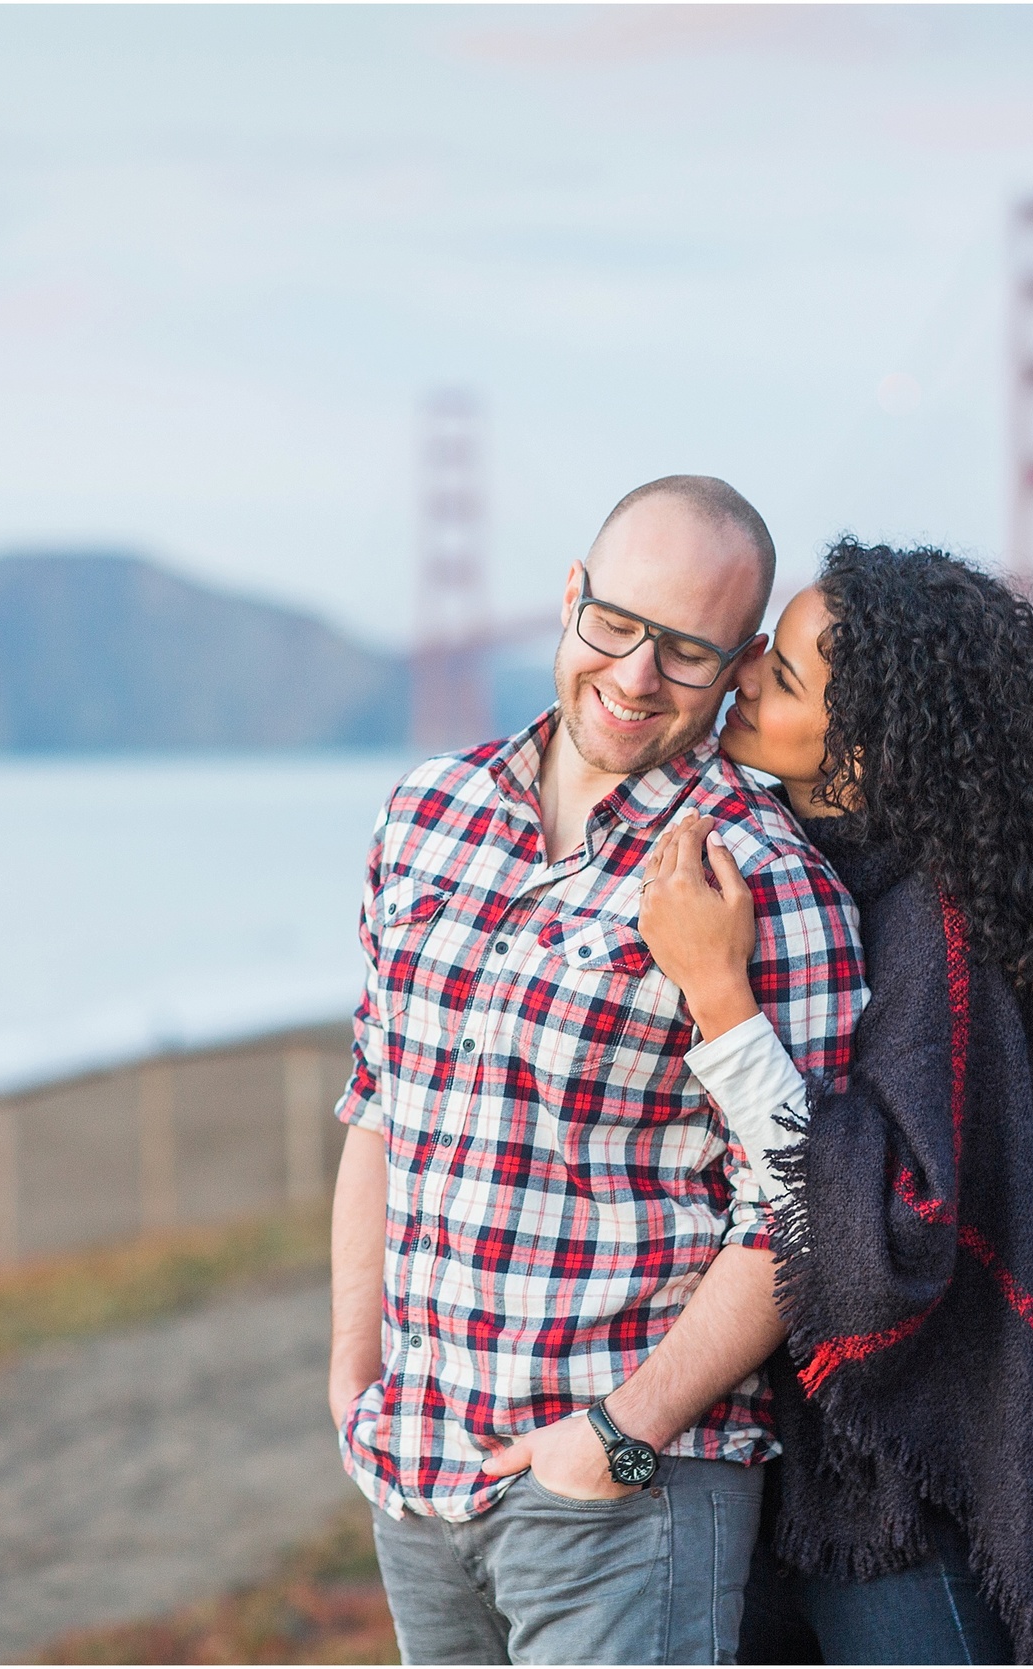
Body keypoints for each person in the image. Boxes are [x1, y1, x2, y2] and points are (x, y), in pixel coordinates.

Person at [327, 477, 869, 1665]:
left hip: (624, 1494)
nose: (633, 679)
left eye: (684, 653)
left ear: (735, 665)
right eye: (616, 626)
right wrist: (351, 1375)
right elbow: (379, 1107)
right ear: (570, 596)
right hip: (415, 1471)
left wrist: (620, 1436)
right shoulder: (426, 814)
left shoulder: (766, 885)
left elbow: (800, 1215)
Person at [635, 540, 1033, 1665]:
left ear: (861, 758)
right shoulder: (772, 861)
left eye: (786, 679)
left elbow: (879, 1248)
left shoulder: (930, 929)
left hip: (904, 1492)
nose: (746, 672)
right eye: (765, 647)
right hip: (752, 1468)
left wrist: (719, 995)